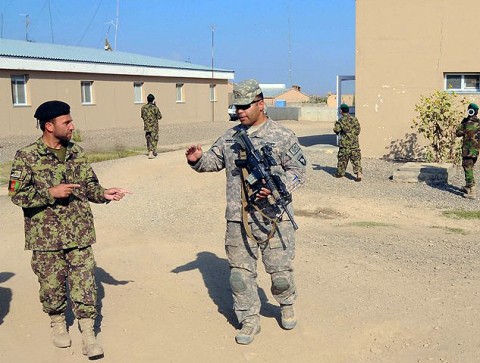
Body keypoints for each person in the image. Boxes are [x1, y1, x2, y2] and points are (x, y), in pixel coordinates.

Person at [185, 79, 307, 345]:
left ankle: (285, 304)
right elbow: (212, 161)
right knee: (240, 275)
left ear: (261, 104)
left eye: (244, 106)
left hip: (274, 217)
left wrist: (277, 189)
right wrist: (196, 160)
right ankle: (249, 320)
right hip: (238, 219)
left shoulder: (282, 135)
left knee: (281, 275)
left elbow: (299, 172)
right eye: (236, 106)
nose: (239, 111)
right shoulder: (230, 137)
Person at [8, 100, 131, 359]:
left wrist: (104, 194)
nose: (72, 126)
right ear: (49, 126)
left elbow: (89, 185)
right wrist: (49, 193)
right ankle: (57, 322)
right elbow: (15, 194)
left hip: (79, 233)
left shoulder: (78, 153)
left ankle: (88, 334)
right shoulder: (26, 156)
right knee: (51, 287)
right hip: (45, 238)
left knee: (85, 284)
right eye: (67, 122)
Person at [456, 102, 480, 199]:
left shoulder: (465, 123)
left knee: (467, 167)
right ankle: (467, 186)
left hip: (467, 150)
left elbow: (458, 133)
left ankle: (472, 191)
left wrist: (464, 126)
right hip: (476, 151)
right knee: (469, 166)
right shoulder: (479, 123)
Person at [333, 103, 363, 181]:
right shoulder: (354, 119)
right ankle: (358, 174)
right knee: (356, 159)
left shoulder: (340, 121)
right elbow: (358, 130)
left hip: (345, 145)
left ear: (342, 111)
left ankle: (340, 173)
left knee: (342, 159)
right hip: (354, 144)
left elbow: (337, 130)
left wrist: (335, 125)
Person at [141, 93, 162, 159]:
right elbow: (160, 117)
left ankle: (152, 152)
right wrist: (155, 105)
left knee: (148, 139)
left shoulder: (143, 107)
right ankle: (151, 153)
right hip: (154, 127)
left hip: (147, 127)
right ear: (153, 100)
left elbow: (142, 116)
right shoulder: (155, 108)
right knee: (154, 139)